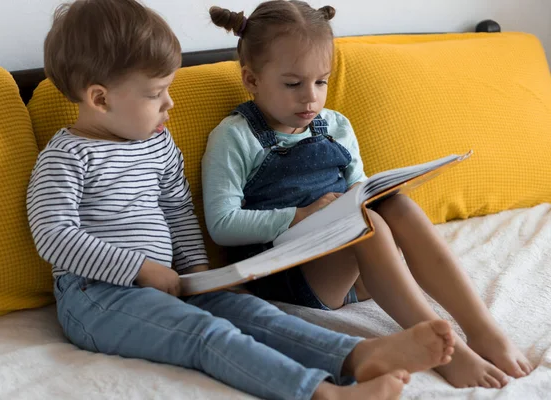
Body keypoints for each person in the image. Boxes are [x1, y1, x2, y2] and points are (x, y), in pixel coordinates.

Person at [26, 1, 454, 399]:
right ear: (101, 99)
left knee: (258, 316)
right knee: (207, 335)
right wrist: (140, 270)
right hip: (97, 296)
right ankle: (322, 393)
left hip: (169, 283)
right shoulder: (66, 156)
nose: (169, 104)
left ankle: (359, 356)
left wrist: (198, 273)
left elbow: (178, 211)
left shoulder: (157, 144)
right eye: (156, 93)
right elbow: (53, 235)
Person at [203, 0, 532, 389]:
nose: (310, 98)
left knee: (390, 204)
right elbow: (222, 225)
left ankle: (483, 329)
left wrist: (371, 195)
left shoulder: (336, 125)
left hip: (354, 267)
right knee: (367, 222)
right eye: (293, 84)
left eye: (321, 81)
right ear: (252, 80)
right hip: (289, 274)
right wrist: (300, 215)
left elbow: (361, 189)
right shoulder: (235, 135)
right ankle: (448, 352)